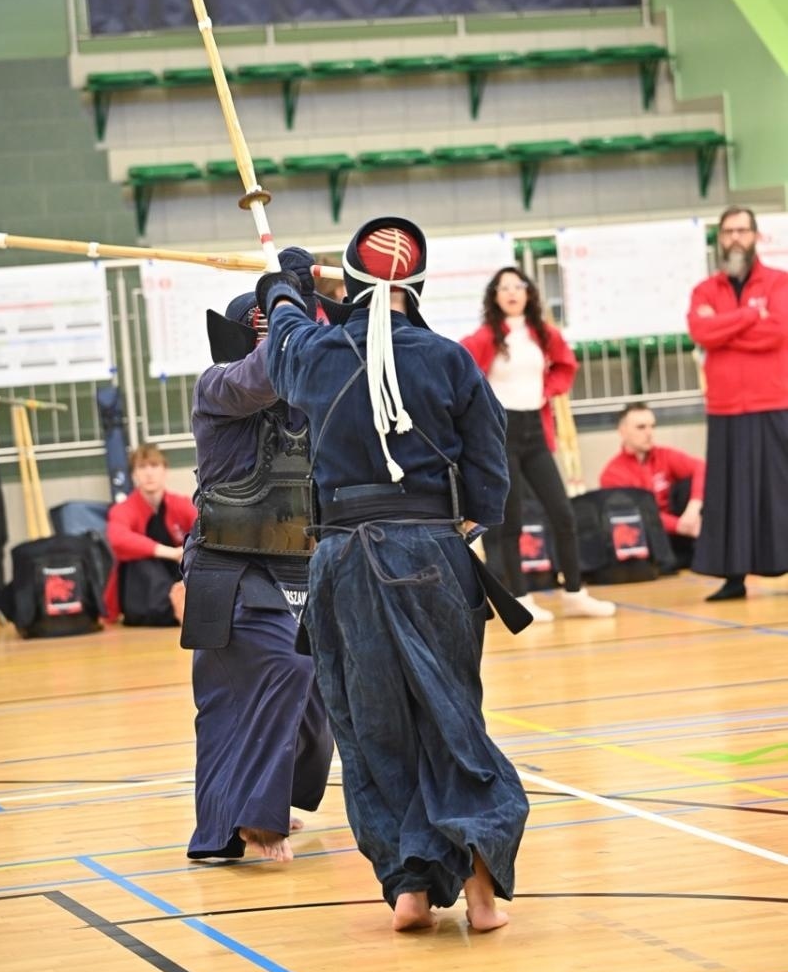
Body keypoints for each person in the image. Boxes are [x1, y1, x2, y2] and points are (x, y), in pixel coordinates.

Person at [261, 217, 531, 932]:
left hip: (342, 559)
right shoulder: (448, 359)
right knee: (449, 716)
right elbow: (488, 471)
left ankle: (409, 887)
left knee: (371, 725)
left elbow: (281, 341)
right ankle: (475, 892)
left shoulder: (317, 350)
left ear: (347, 287)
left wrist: (283, 281)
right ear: (417, 287)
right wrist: (458, 527)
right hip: (432, 552)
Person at [180, 256, 334, 863]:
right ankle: (255, 819)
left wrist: (311, 300)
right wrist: (287, 298)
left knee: (317, 683)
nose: (282, 337)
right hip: (229, 567)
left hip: (300, 564)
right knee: (281, 670)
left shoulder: (311, 397)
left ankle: (244, 814)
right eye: (268, 325)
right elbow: (268, 372)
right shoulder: (218, 386)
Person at [460, 267, 615, 622]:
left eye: (518, 286)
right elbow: (462, 365)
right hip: (503, 431)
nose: (512, 293)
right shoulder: (485, 336)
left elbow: (565, 365)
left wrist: (549, 390)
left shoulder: (544, 334)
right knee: (511, 521)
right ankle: (520, 595)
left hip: (535, 430)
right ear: (494, 296)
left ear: (529, 293)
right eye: (504, 288)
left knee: (562, 511)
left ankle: (575, 591)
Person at [687, 205, 788, 602]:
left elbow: (777, 332)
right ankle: (733, 577)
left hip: (775, 401)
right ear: (719, 239)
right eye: (728, 231)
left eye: (742, 230)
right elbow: (701, 331)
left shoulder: (780, 283)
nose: (735, 238)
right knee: (729, 494)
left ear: (756, 236)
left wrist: (725, 326)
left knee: (782, 489)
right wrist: (749, 315)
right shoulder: (705, 290)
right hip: (726, 407)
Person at [599, 402, 705, 569]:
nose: (649, 433)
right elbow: (634, 517)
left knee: (691, 484)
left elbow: (702, 467)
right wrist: (678, 525)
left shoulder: (664, 455)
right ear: (622, 432)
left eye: (652, 426)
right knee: (635, 516)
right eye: (641, 427)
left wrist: (694, 507)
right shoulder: (612, 474)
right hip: (652, 537)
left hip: (685, 527)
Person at [105, 443, 197, 626]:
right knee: (142, 562)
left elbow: (204, 528)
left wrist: (186, 553)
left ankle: (185, 605)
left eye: (154, 466)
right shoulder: (123, 509)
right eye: (142, 467)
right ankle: (179, 608)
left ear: (165, 470)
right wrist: (169, 552)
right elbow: (118, 538)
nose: (149, 473)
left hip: (177, 575)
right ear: (134, 474)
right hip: (141, 589)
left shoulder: (180, 504)